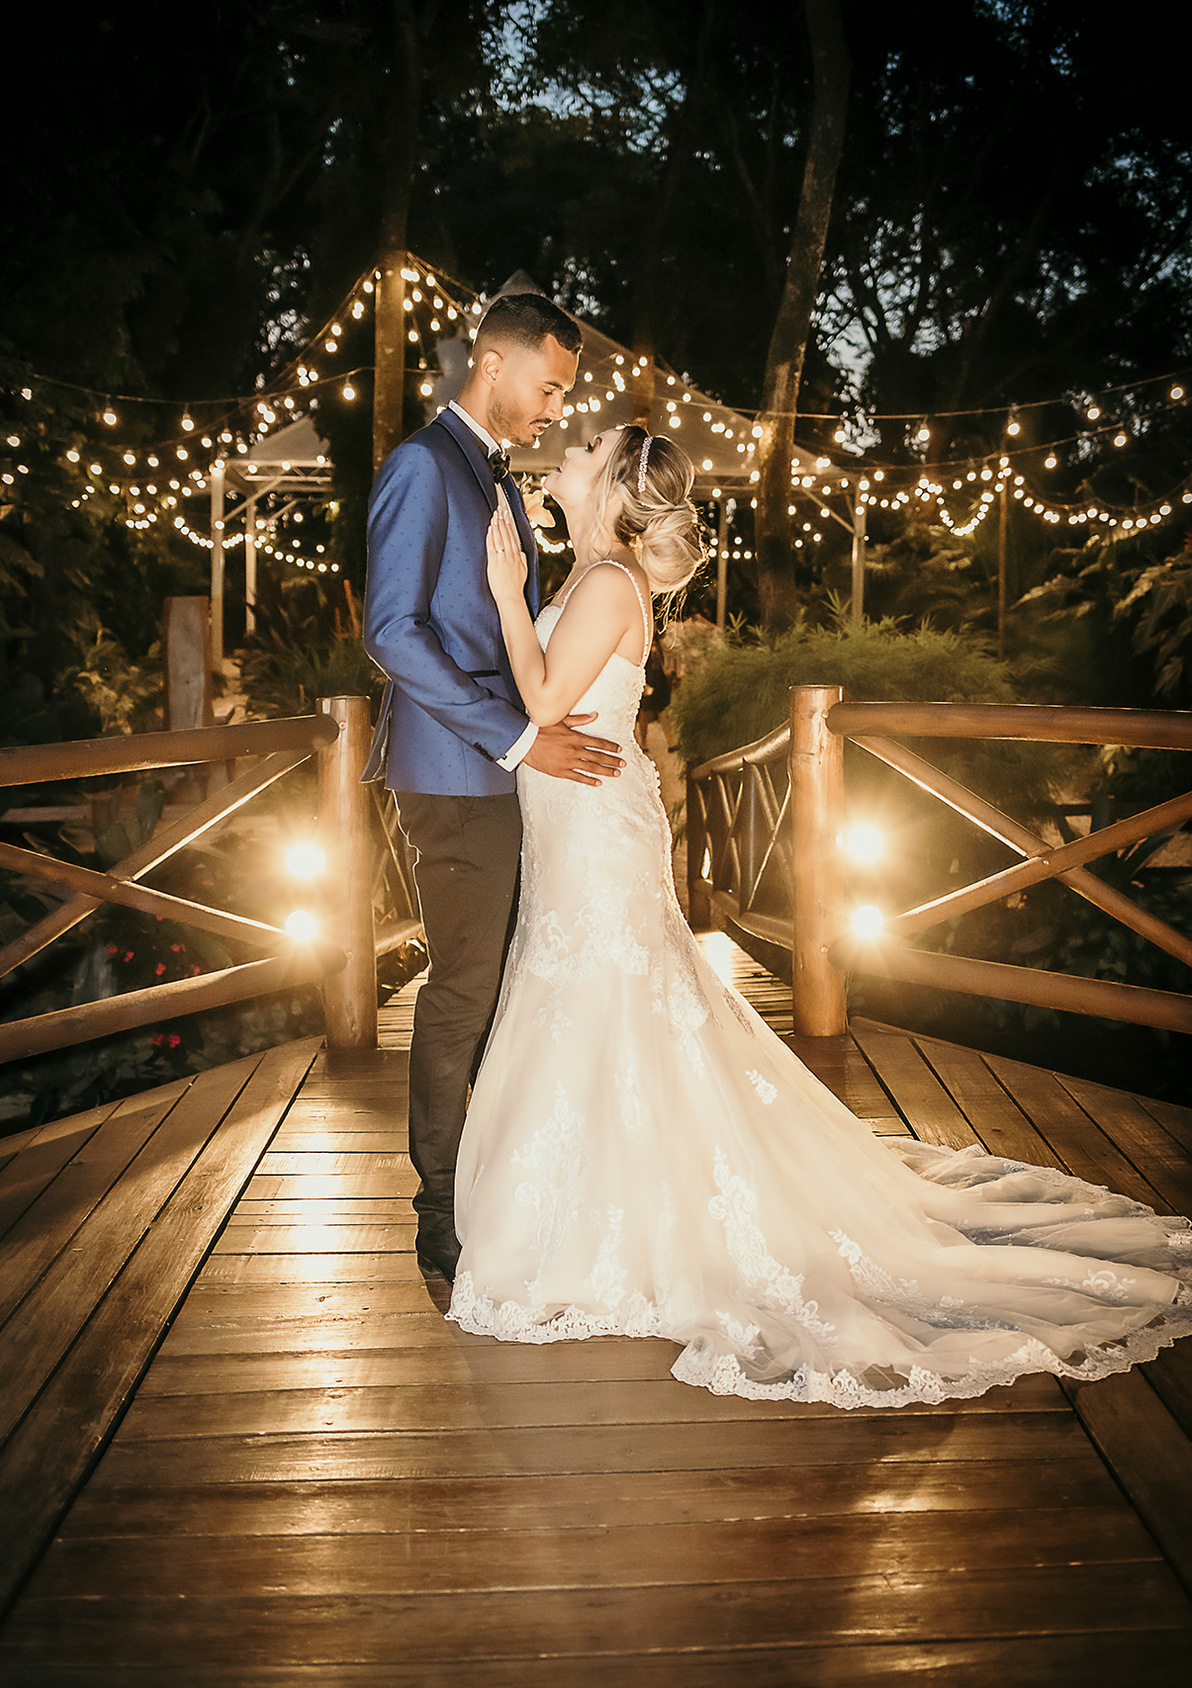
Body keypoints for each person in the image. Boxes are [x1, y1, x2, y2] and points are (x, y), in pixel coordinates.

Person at [448, 420, 1192, 1406]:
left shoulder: (603, 583)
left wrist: (506, 596)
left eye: (585, 448)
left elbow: (541, 699)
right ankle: (598, 1212)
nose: (567, 450)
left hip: (592, 829)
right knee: (594, 1002)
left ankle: (594, 1234)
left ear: (614, 490)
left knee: (601, 999)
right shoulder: (593, 578)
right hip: (578, 817)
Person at [362, 293, 623, 1286]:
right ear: (493, 364)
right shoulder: (424, 467)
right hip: (457, 776)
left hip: (503, 771)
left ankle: (494, 1179)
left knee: (507, 984)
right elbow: (391, 632)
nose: (556, 406)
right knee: (465, 987)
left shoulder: (494, 476)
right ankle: (438, 1210)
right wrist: (520, 737)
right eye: (548, 386)